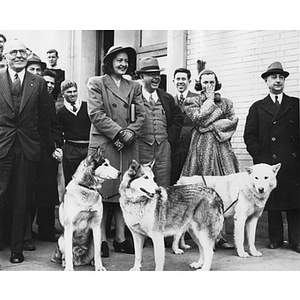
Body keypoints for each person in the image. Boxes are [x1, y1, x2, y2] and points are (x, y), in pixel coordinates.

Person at [86, 45, 146, 258]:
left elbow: (142, 115)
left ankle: (120, 238)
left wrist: (130, 133)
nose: (123, 64)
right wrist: (120, 133)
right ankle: (101, 239)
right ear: (109, 62)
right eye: (119, 60)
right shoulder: (96, 83)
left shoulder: (134, 86)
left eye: (126, 61)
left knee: (124, 190)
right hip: (106, 144)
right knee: (102, 193)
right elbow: (96, 114)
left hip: (127, 145)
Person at [0, 39, 50, 263]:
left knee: (22, 200)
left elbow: (44, 120)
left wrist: (46, 148)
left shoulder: (37, 83)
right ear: (5, 56)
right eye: (14, 52)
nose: (18, 55)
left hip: (27, 149)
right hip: (2, 147)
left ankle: (17, 250)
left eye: (22, 51)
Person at [244, 61, 300, 253]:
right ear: (266, 81)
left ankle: (297, 240)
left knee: (295, 203)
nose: (278, 81)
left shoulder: (296, 104)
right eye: (274, 77)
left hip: (292, 162)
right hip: (267, 163)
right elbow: (249, 135)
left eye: (281, 78)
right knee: (272, 201)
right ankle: (275, 239)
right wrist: (258, 156)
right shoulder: (257, 107)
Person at [181, 69, 239, 249]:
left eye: (212, 82)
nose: (208, 86)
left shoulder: (227, 103)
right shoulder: (191, 101)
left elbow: (232, 122)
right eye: (205, 82)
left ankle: (219, 235)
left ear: (217, 83)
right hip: (200, 152)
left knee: (222, 191)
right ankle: (202, 236)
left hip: (222, 152)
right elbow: (199, 119)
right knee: (201, 192)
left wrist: (210, 125)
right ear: (199, 84)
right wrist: (210, 102)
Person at [26, 54, 63, 244]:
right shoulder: (21, 94)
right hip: (27, 151)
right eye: (31, 70)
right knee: (28, 194)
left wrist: (57, 145)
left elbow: (55, 126)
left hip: (47, 153)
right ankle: (26, 234)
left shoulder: (48, 98)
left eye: (38, 70)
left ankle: (47, 230)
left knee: (47, 193)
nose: (36, 74)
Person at [136, 57, 183, 188]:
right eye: (151, 75)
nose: (156, 78)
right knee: (143, 185)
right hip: (141, 150)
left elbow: (177, 119)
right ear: (141, 77)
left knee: (163, 187)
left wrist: (169, 140)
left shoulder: (166, 98)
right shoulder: (134, 97)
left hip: (163, 151)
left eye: (157, 74)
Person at [57, 80, 91, 186]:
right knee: (72, 179)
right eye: (69, 92)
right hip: (71, 149)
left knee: (89, 178)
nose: (73, 94)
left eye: (74, 91)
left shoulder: (87, 107)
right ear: (63, 94)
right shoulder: (60, 112)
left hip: (88, 147)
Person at [170, 68, 198, 185]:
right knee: (174, 177)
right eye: (178, 79)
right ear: (173, 81)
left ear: (189, 81)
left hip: (192, 144)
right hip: (175, 147)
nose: (180, 82)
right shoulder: (170, 100)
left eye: (183, 79)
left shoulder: (197, 98)